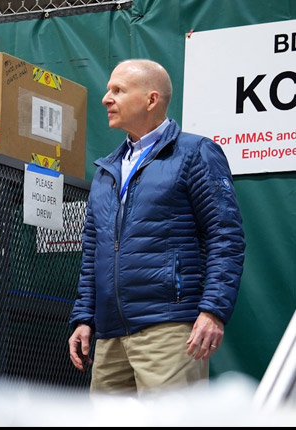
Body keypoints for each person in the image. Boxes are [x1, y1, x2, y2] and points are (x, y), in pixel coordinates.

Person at [68, 59, 245, 397]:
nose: (106, 98)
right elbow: (92, 253)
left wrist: (213, 311)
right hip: (109, 337)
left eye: (118, 90)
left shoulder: (195, 153)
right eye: (108, 89)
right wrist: (84, 317)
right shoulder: (107, 170)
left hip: (170, 330)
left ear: (150, 100)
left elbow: (226, 237)